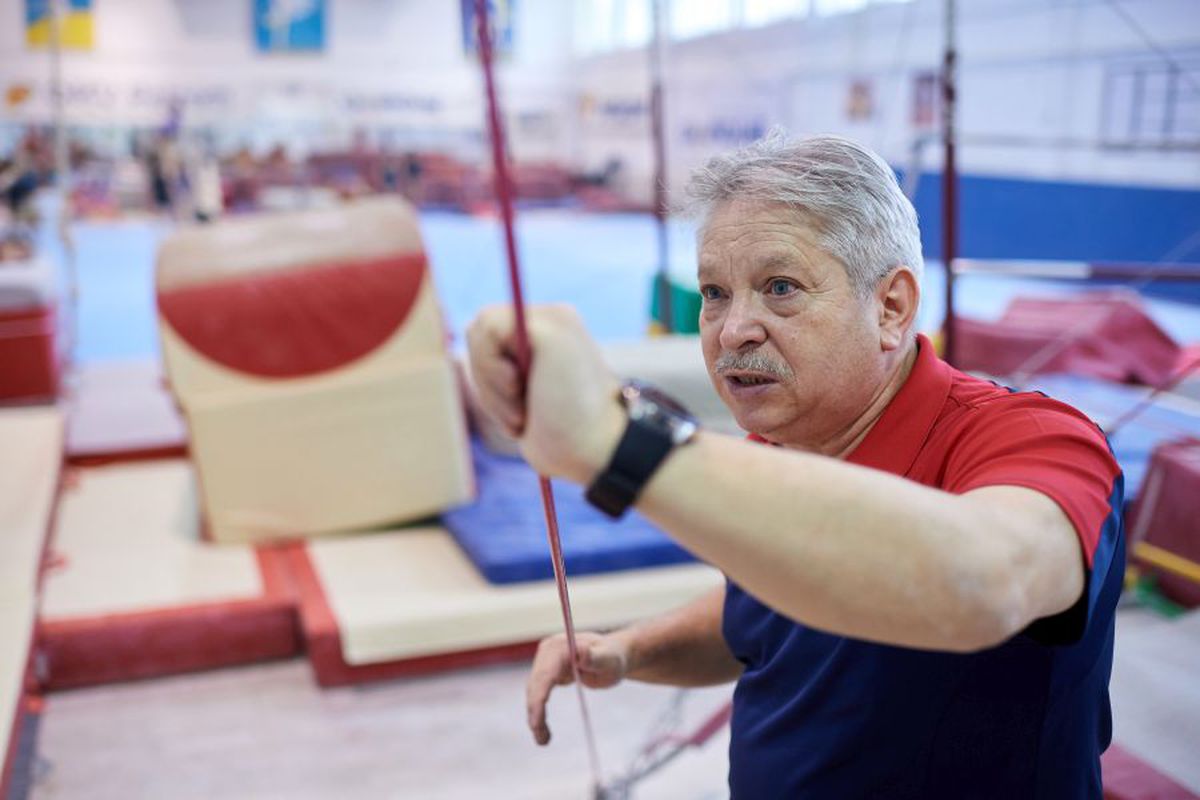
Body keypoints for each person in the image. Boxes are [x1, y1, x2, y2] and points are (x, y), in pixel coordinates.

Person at [466, 132, 1124, 799]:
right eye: (715, 293)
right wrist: (632, 649)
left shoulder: (1034, 440)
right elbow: (765, 610)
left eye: (780, 287)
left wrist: (621, 442)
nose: (731, 330)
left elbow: (985, 585)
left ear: (890, 307)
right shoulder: (783, 450)